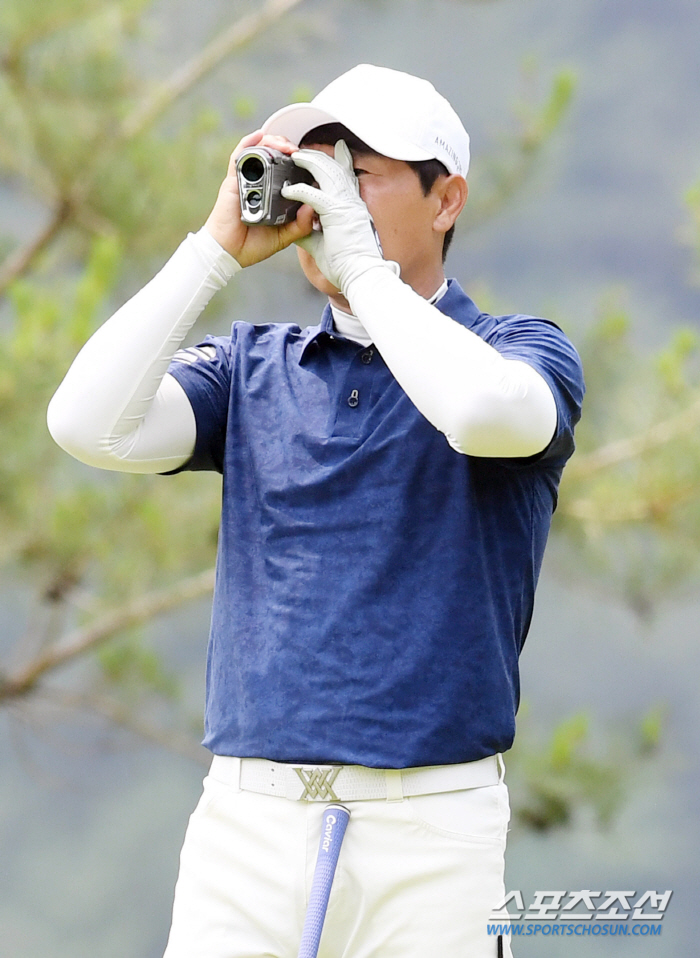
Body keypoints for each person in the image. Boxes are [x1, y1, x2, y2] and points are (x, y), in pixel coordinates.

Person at [47, 64, 584, 958]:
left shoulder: (516, 352)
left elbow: (489, 415)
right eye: (312, 170)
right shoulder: (253, 367)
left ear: (445, 199)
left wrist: (364, 274)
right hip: (245, 825)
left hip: (432, 832)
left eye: (359, 172)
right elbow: (86, 423)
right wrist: (214, 246)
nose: (326, 195)